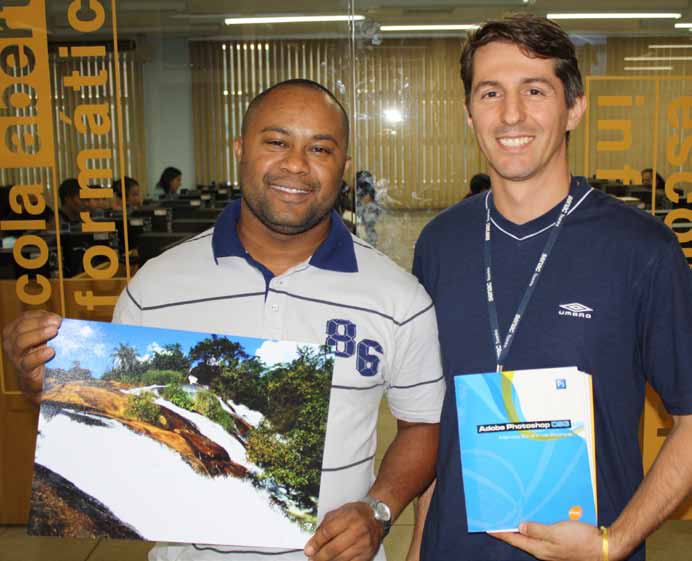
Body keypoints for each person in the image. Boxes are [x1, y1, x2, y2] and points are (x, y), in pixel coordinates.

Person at [3, 79, 445, 561]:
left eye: (320, 148)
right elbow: (110, 417)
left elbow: (423, 425)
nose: (296, 163)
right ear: (240, 148)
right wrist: (43, 382)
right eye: (276, 142)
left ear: (342, 166)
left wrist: (379, 510)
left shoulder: (399, 297)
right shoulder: (156, 288)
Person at [410, 14, 692, 561]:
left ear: (575, 107)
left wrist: (616, 542)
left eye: (535, 90)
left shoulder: (642, 249)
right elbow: (433, 421)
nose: (511, 114)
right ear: (469, 115)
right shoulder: (440, 243)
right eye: (490, 93)